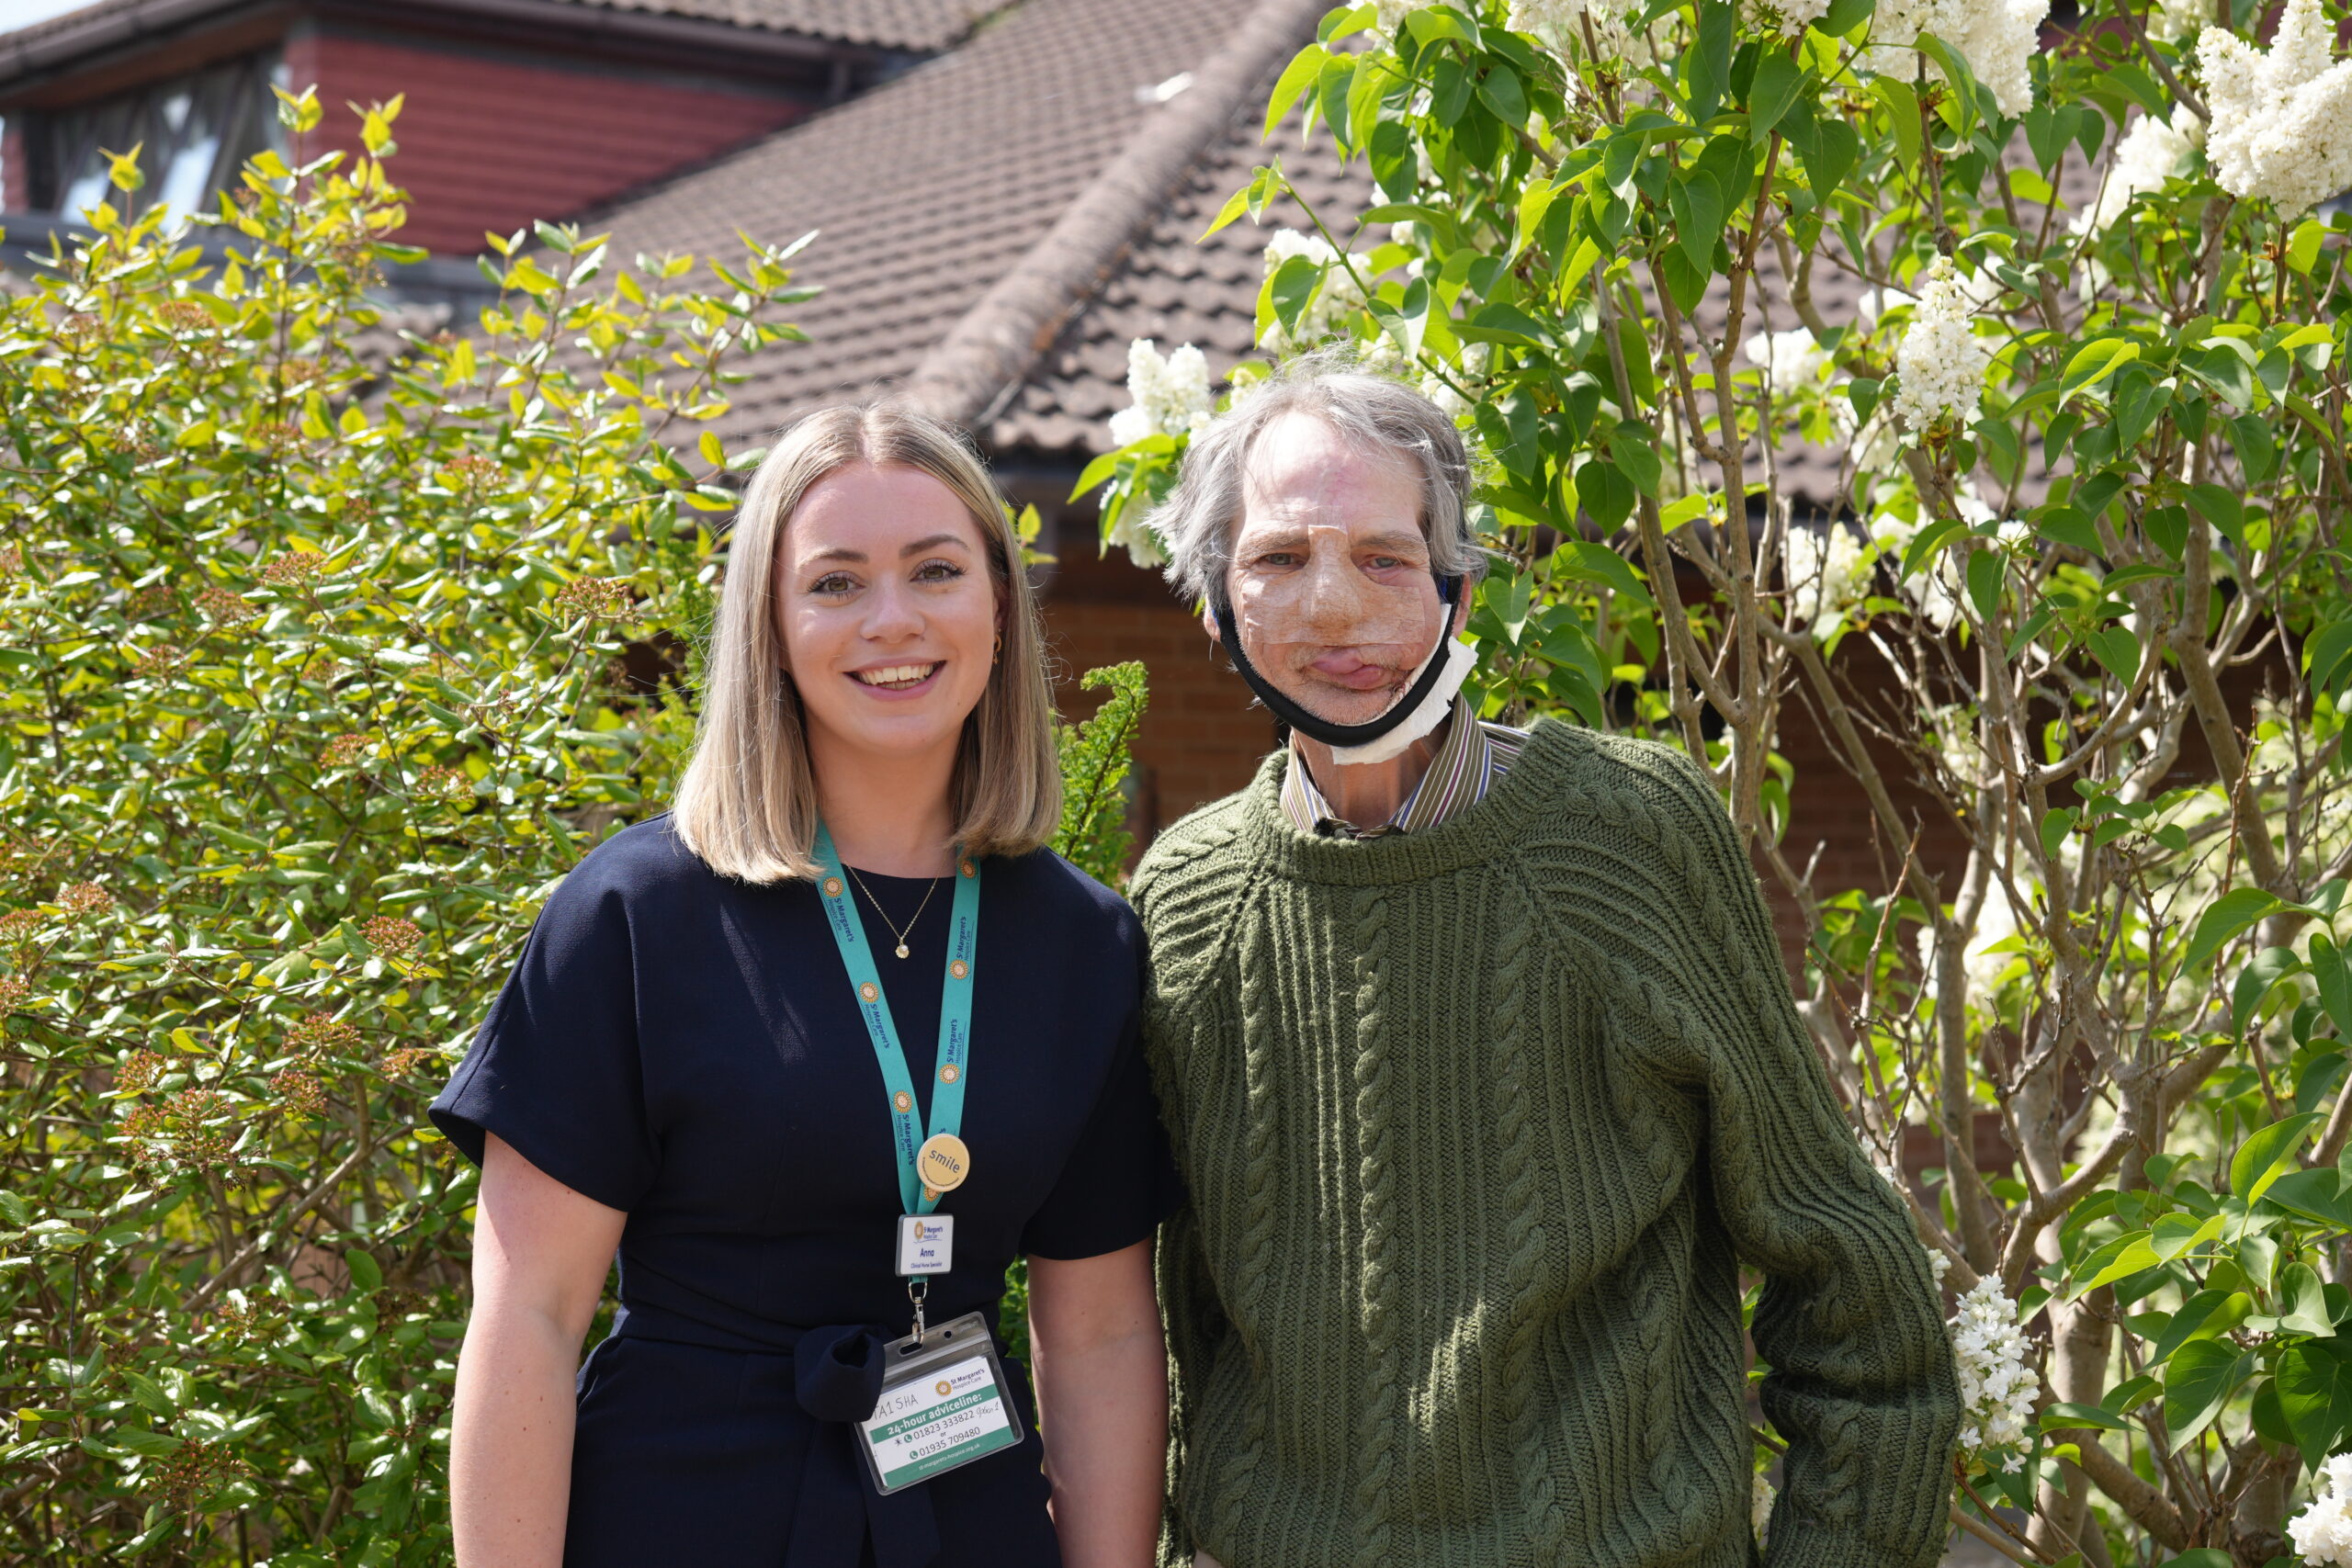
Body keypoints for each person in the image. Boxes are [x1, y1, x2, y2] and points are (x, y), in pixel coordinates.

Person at [1128, 352, 1962, 1568]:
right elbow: (1165, 1332)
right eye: (1279, 559)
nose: (1334, 608)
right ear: (1215, 606)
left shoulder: (1625, 835)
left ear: (1459, 594)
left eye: (1385, 558)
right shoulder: (1182, 904)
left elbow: (1851, 1287)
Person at [431, 403, 1174, 1568]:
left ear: (997, 605)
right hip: (680, 1515)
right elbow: (528, 1317)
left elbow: (1100, 1336)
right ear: (770, 628)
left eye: (935, 570)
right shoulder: (636, 914)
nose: (893, 619)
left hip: (961, 1519)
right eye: (835, 582)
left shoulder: (1085, 942)